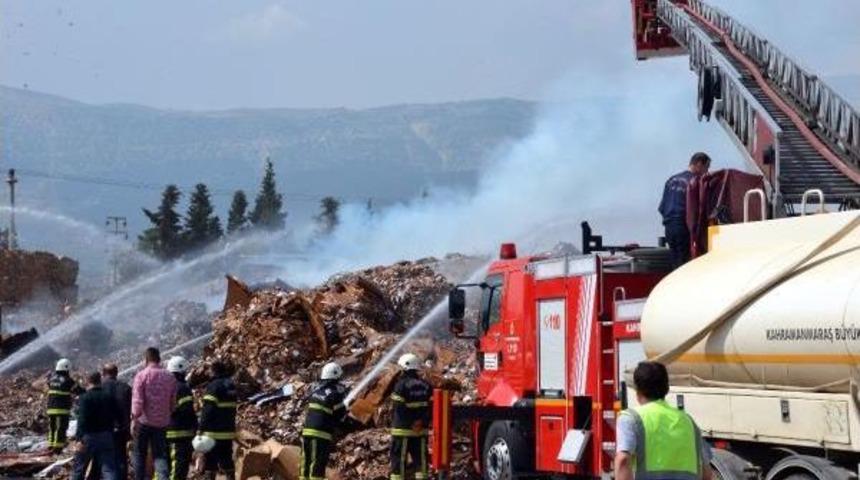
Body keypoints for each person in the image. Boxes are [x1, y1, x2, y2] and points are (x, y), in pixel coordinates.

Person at [615, 362, 713, 480]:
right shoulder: (688, 422)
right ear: (666, 389)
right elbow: (706, 471)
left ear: (638, 390)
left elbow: (623, 461)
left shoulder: (631, 419)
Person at [658, 152, 711, 268]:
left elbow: (662, 208)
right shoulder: (695, 182)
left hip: (669, 228)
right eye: (706, 168)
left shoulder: (671, 180)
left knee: (675, 263)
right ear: (699, 164)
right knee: (684, 266)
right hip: (683, 227)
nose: (706, 172)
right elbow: (699, 209)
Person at [131, 347, 177, 480]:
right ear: (159, 359)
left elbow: (137, 401)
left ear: (146, 359)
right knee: (160, 455)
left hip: (143, 422)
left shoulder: (141, 376)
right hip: (162, 424)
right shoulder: (170, 377)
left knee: (140, 454)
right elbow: (173, 403)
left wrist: (134, 418)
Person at [300, 362, 349, 480]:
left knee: (306, 462)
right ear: (335, 376)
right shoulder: (334, 394)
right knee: (318, 463)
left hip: (307, 431)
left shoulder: (316, 391)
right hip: (320, 434)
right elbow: (340, 414)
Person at [389, 353, 432, 480]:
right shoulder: (426, 385)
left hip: (402, 430)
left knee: (399, 461)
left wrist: (411, 422)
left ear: (404, 368)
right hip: (420, 431)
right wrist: (420, 421)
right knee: (421, 461)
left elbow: (399, 408)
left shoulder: (400, 385)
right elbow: (430, 407)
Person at [88, 364, 133, 480]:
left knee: (100, 460)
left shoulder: (98, 388)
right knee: (121, 459)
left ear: (103, 374)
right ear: (117, 373)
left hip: (102, 431)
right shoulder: (126, 388)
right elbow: (130, 410)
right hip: (121, 430)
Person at [72, 371, 119, 480]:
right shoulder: (108, 396)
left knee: (79, 468)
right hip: (106, 436)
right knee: (109, 469)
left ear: (88, 381)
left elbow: (82, 419)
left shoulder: (85, 397)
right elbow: (116, 415)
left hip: (88, 437)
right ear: (100, 380)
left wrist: (79, 439)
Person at [199, 360, 238, 480]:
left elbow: (208, 410)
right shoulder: (230, 385)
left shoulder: (213, 386)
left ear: (214, 371)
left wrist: (201, 428)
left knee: (210, 463)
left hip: (213, 433)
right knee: (227, 460)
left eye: (210, 370)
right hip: (227, 431)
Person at [166, 356, 197, 480]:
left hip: (165, 433)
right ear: (182, 371)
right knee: (178, 469)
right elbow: (187, 411)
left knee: (164, 468)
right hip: (179, 435)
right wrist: (196, 427)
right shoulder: (182, 388)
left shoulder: (164, 386)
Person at [47, 358, 83, 453]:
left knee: (52, 427)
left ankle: (50, 445)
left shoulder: (51, 379)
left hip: (51, 408)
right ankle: (57, 449)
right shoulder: (67, 380)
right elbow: (78, 390)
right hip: (61, 409)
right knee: (61, 428)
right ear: (66, 368)